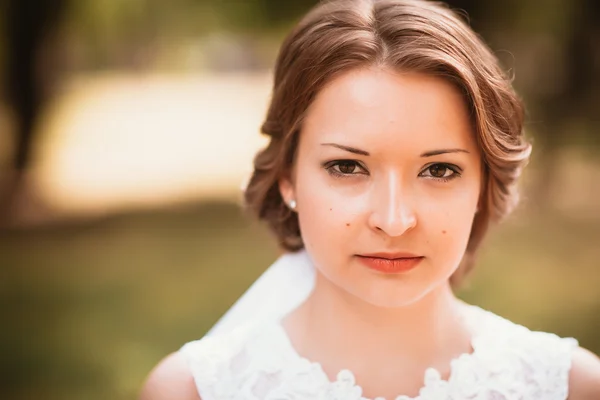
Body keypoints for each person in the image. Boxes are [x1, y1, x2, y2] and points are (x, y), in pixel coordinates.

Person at [140, 0, 600, 398]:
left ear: (483, 184)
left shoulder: (570, 389)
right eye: (347, 167)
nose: (394, 220)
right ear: (287, 178)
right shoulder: (193, 391)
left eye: (439, 170)